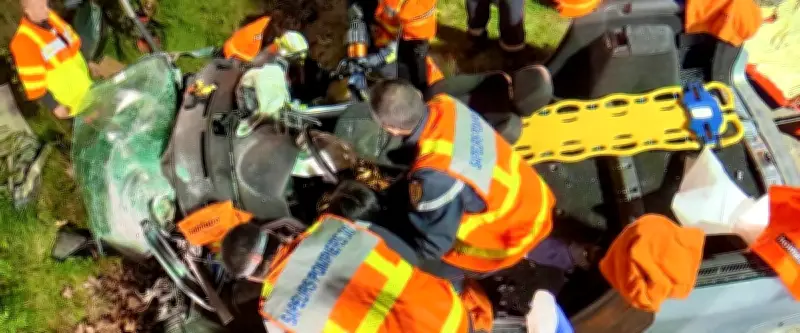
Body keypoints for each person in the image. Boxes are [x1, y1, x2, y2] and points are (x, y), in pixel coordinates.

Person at [367, 78, 565, 277]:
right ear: (418, 96)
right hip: (531, 195)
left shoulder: (435, 176)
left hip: (511, 234)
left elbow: (433, 246)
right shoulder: (446, 104)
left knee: (431, 259)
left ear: (390, 129)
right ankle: (569, 253)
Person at [220, 180, 477, 332]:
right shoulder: (337, 227)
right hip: (451, 313)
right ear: (277, 235)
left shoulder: (277, 317)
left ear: (251, 279)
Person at [11, 0, 94, 119]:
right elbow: (34, 83)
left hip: (88, 87)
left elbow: (72, 44)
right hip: (71, 104)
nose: (47, 9)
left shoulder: (51, 18)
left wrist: (88, 62)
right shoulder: (22, 42)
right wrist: (54, 106)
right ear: (27, 11)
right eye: (41, 7)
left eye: (46, 4)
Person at [345, 0, 444, 93]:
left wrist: (382, 57)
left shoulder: (418, 4)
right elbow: (357, 14)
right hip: (383, 33)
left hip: (409, 44)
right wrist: (357, 56)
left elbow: (414, 44)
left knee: (413, 85)